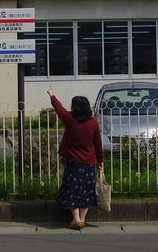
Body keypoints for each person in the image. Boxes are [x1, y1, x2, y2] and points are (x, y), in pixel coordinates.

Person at [47, 86, 104, 230]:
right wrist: (101, 160)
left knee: (71, 190)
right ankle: (83, 219)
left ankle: (76, 219)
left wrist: (52, 95)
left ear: (75, 108)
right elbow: (98, 143)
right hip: (89, 162)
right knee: (86, 191)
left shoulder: (70, 120)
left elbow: (59, 109)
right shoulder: (93, 123)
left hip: (73, 162)